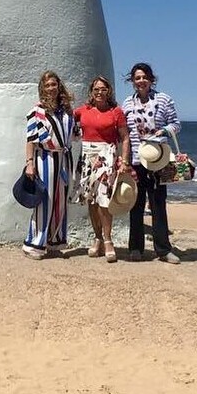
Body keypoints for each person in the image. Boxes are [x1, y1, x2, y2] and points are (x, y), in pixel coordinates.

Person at [122, 62, 181, 264]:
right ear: (132, 81)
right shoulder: (127, 104)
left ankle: (163, 250)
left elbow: (176, 124)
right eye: (137, 78)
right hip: (137, 160)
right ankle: (136, 249)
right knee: (135, 205)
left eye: (144, 77)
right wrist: (125, 161)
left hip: (159, 159)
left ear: (151, 79)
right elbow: (126, 135)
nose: (141, 81)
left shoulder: (164, 99)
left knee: (158, 205)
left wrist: (163, 131)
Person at [73, 76, 131, 262]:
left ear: (109, 91)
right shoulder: (82, 111)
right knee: (91, 200)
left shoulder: (116, 112)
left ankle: (108, 240)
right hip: (87, 157)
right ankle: (97, 237)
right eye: (96, 89)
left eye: (103, 89)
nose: (100, 92)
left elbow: (125, 138)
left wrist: (124, 160)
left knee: (105, 200)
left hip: (107, 156)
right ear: (91, 91)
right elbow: (63, 118)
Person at [22, 71, 76, 260]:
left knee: (60, 202)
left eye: (54, 84)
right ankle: (34, 243)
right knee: (45, 201)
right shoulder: (37, 111)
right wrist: (30, 163)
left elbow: (75, 134)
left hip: (63, 159)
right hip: (45, 158)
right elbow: (30, 140)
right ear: (42, 89)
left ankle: (54, 241)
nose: (51, 88)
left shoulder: (67, 111)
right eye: (48, 86)